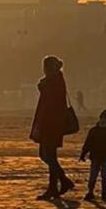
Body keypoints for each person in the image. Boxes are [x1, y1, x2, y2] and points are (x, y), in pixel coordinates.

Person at [30, 55, 76, 200]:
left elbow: (50, 104)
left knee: (47, 155)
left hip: (51, 124)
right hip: (51, 124)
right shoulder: (55, 80)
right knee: (48, 156)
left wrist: (42, 86)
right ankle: (59, 184)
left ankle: (58, 185)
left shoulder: (54, 82)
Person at [79, 109, 106, 202]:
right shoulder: (94, 130)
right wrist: (83, 153)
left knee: (104, 175)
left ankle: (104, 192)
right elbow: (88, 143)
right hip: (95, 156)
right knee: (93, 175)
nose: (104, 120)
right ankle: (90, 192)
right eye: (103, 118)